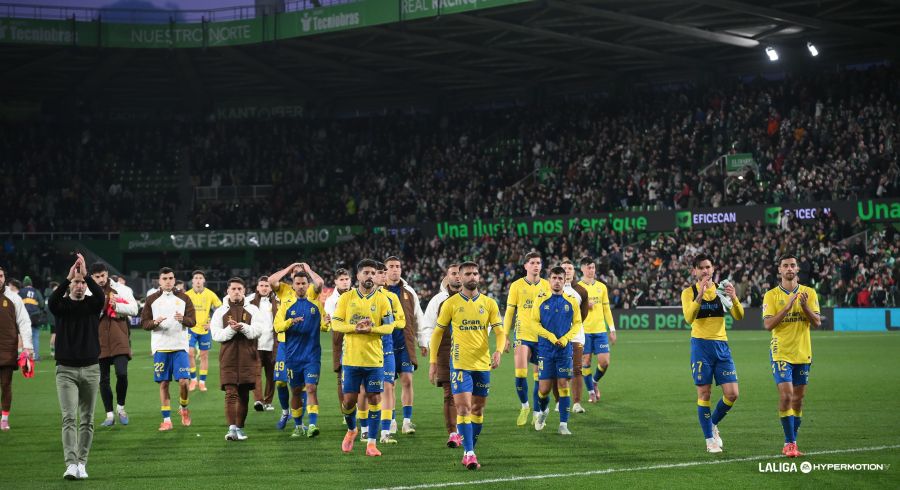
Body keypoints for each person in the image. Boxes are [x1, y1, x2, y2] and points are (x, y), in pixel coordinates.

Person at [430, 261, 506, 470]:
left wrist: (498, 350)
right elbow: (437, 333)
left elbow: (500, 332)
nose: (472, 277)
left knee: (478, 409)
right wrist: (433, 362)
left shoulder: (489, 303)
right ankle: (470, 453)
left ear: (479, 277)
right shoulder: (451, 304)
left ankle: (470, 445)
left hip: (482, 365)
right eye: (468, 274)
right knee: (463, 408)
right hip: (460, 364)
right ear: (460, 278)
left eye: (475, 273)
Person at [48, 254, 104, 480]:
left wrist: (86, 274)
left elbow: (99, 295)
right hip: (66, 371)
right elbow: (52, 301)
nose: (79, 286)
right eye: (76, 282)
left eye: (82, 282)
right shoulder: (61, 306)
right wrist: (68, 277)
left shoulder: (92, 305)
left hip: (91, 368)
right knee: (69, 418)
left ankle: (82, 462)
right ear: (70, 284)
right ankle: (71, 464)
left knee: (87, 419)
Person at [331, 259, 395, 457]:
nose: (369, 276)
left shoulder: (383, 300)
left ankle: (372, 444)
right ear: (357, 276)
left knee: (374, 398)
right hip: (350, 359)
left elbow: (390, 326)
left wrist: (372, 329)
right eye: (365, 272)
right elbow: (336, 324)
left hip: (374, 359)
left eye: (372, 273)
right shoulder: (346, 298)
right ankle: (352, 430)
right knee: (349, 401)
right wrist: (355, 328)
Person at [680, 254, 743, 453]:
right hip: (701, 347)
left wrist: (733, 296)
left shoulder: (722, 290)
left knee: (732, 394)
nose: (705, 271)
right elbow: (689, 318)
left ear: (713, 268)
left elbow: (739, 316)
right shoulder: (688, 292)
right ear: (694, 271)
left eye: (708, 267)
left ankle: (712, 424)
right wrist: (700, 294)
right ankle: (709, 440)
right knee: (704, 393)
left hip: (721, 346)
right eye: (701, 268)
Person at [763, 254, 821, 458]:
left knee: (798, 400)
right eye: (785, 265)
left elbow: (817, 323)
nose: (789, 268)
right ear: (779, 270)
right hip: (781, 352)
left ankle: (792, 441)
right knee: (786, 395)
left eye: (793, 265)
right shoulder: (771, 295)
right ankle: (789, 443)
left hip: (803, 353)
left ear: (797, 269)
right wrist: (787, 307)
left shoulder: (809, 293)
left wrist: (804, 306)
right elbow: (768, 324)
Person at [141, 267, 197, 431]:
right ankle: (167, 420)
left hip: (180, 346)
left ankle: (184, 408)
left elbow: (193, 321)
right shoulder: (151, 299)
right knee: (164, 383)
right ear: (159, 281)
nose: (168, 281)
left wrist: (183, 319)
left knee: (184, 382)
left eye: (171, 278)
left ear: (174, 280)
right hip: (160, 347)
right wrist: (154, 323)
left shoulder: (184, 298)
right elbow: (144, 323)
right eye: (164, 278)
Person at [269, 262, 323, 430]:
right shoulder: (284, 289)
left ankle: (304, 421)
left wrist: (307, 269)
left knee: (307, 385)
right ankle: (286, 412)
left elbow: (319, 283)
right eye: (295, 274)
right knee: (280, 382)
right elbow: (272, 280)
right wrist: (290, 266)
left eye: (302, 277)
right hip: (286, 343)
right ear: (291, 278)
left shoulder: (310, 291)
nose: (298, 275)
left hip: (306, 345)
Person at [210, 277, 265, 441]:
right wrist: (232, 329)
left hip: (248, 357)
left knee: (244, 394)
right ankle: (232, 429)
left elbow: (258, 331)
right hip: (228, 358)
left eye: (239, 289)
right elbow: (216, 335)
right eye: (233, 289)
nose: (236, 292)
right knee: (230, 393)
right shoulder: (220, 311)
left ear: (244, 291)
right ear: (227, 291)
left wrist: (243, 327)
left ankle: (240, 428)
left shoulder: (253, 309)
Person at [532, 266, 582, 435]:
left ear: (565, 280)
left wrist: (567, 338)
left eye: (561, 278)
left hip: (564, 351)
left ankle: (563, 424)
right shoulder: (540, 299)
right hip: (546, 350)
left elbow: (577, 324)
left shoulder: (571, 300)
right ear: (549, 279)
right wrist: (551, 337)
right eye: (554, 278)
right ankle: (543, 412)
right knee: (544, 390)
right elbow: (534, 323)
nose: (557, 281)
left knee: (563, 386)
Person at [90, 262, 138, 427]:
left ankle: (121, 408)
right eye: (97, 277)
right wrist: (101, 306)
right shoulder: (88, 291)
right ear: (92, 277)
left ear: (107, 273)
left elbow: (134, 309)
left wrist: (116, 305)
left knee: (122, 374)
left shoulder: (122, 289)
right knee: (103, 380)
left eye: (103, 275)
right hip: (99, 340)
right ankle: (109, 415)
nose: (101, 279)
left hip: (119, 338)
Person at [504, 251, 550, 426]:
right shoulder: (516, 286)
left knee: (539, 377)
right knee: (521, 372)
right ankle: (525, 406)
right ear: (525, 266)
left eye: (538, 262)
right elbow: (509, 312)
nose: (536, 265)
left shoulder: (547, 285)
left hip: (542, 337)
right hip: (522, 335)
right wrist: (505, 335)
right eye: (532, 262)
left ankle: (537, 412)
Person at [421, 263, 462, 448]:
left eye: (459, 273)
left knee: (468, 395)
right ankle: (453, 432)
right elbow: (428, 327)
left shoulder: (476, 299)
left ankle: (466, 428)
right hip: (445, 352)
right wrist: (433, 353)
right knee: (449, 394)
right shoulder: (438, 300)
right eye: (453, 273)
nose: (457, 277)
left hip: (469, 353)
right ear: (448, 277)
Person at [384, 256, 424, 435]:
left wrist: (423, 341)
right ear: (385, 270)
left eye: (398, 266)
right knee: (389, 385)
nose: (395, 270)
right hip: (385, 346)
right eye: (391, 267)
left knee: (407, 380)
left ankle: (407, 422)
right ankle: (391, 420)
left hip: (405, 344)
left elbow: (418, 317)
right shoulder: (379, 291)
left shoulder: (409, 291)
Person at [373, 262, 405, 444]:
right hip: (365, 349)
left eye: (384, 273)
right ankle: (364, 429)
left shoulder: (391, 297)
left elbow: (401, 322)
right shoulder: (361, 297)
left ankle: (385, 431)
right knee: (365, 391)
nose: (383, 276)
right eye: (380, 273)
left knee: (388, 387)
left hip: (386, 348)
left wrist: (389, 323)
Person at [577, 257, 617, 403]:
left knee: (605, 362)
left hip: (600, 330)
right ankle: (591, 392)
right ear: (582, 269)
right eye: (588, 267)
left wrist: (612, 329)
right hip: (584, 331)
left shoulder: (602, 287)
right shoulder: (577, 288)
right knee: (586, 361)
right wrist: (584, 305)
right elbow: (573, 309)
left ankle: (594, 381)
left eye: (593, 267)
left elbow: (606, 309)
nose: (591, 270)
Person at [0, 266, 33, 431]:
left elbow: (24, 322)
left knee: (6, 384)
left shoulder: (14, 298)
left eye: (0, 276)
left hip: (7, 348)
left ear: (4, 277)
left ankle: (4, 417)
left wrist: (27, 346)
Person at [185, 271, 222, 392]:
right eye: (196, 278)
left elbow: (220, 309)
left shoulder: (210, 294)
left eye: (200, 278)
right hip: (191, 328)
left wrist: (212, 324)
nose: (198, 280)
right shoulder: (187, 295)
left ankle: (202, 382)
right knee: (190, 353)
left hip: (205, 329)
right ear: (193, 281)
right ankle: (193, 379)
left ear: (204, 280)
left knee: (204, 355)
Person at [560, 260, 589, 413]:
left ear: (574, 271)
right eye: (564, 268)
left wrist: (572, 328)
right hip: (557, 336)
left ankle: (577, 403)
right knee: (560, 369)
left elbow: (583, 314)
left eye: (570, 268)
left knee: (577, 369)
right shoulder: (550, 288)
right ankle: (560, 401)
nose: (567, 270)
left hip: (576, 335)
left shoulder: (581, 291)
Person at [247, 276, 278, 412]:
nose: (264, 288)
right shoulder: (249, 301)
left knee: (271, 376)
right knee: (256, 374)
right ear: (257, 287)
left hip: (272, 344)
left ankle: (268, 401)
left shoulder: (277, 301)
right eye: (262, 285)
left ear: (271, 287)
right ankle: (258, 400)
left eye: (267, 285)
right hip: (256, 344)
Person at [324, 269, 352, 412]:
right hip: (340, 341)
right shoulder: (330, 301)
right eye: (341, 279)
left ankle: (359, 408)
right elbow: (331, 323)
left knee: (358, 376)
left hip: (357, 340)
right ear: (335, 282)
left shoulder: (358, 295)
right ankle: (345, 410)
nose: (345, 281)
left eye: (346, 279)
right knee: (341, 379)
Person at [18, 276, 45, 361]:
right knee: (35, 336)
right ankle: (35, 357)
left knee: (23, 337)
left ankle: (25, 357)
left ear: (24, 284)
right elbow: (42, 304)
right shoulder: (36, 291)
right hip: (35, 317)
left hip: (24, 317)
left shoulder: (21, 292)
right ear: (31, 283)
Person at [44, 281, 59, 358]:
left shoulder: (47, 296)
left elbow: (45, 308)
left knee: (54, 334)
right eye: (56, 288)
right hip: (54, 317)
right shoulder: (53, 296)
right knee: (55, 334)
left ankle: (53, 350)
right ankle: (53, 351)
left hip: (51, 317)